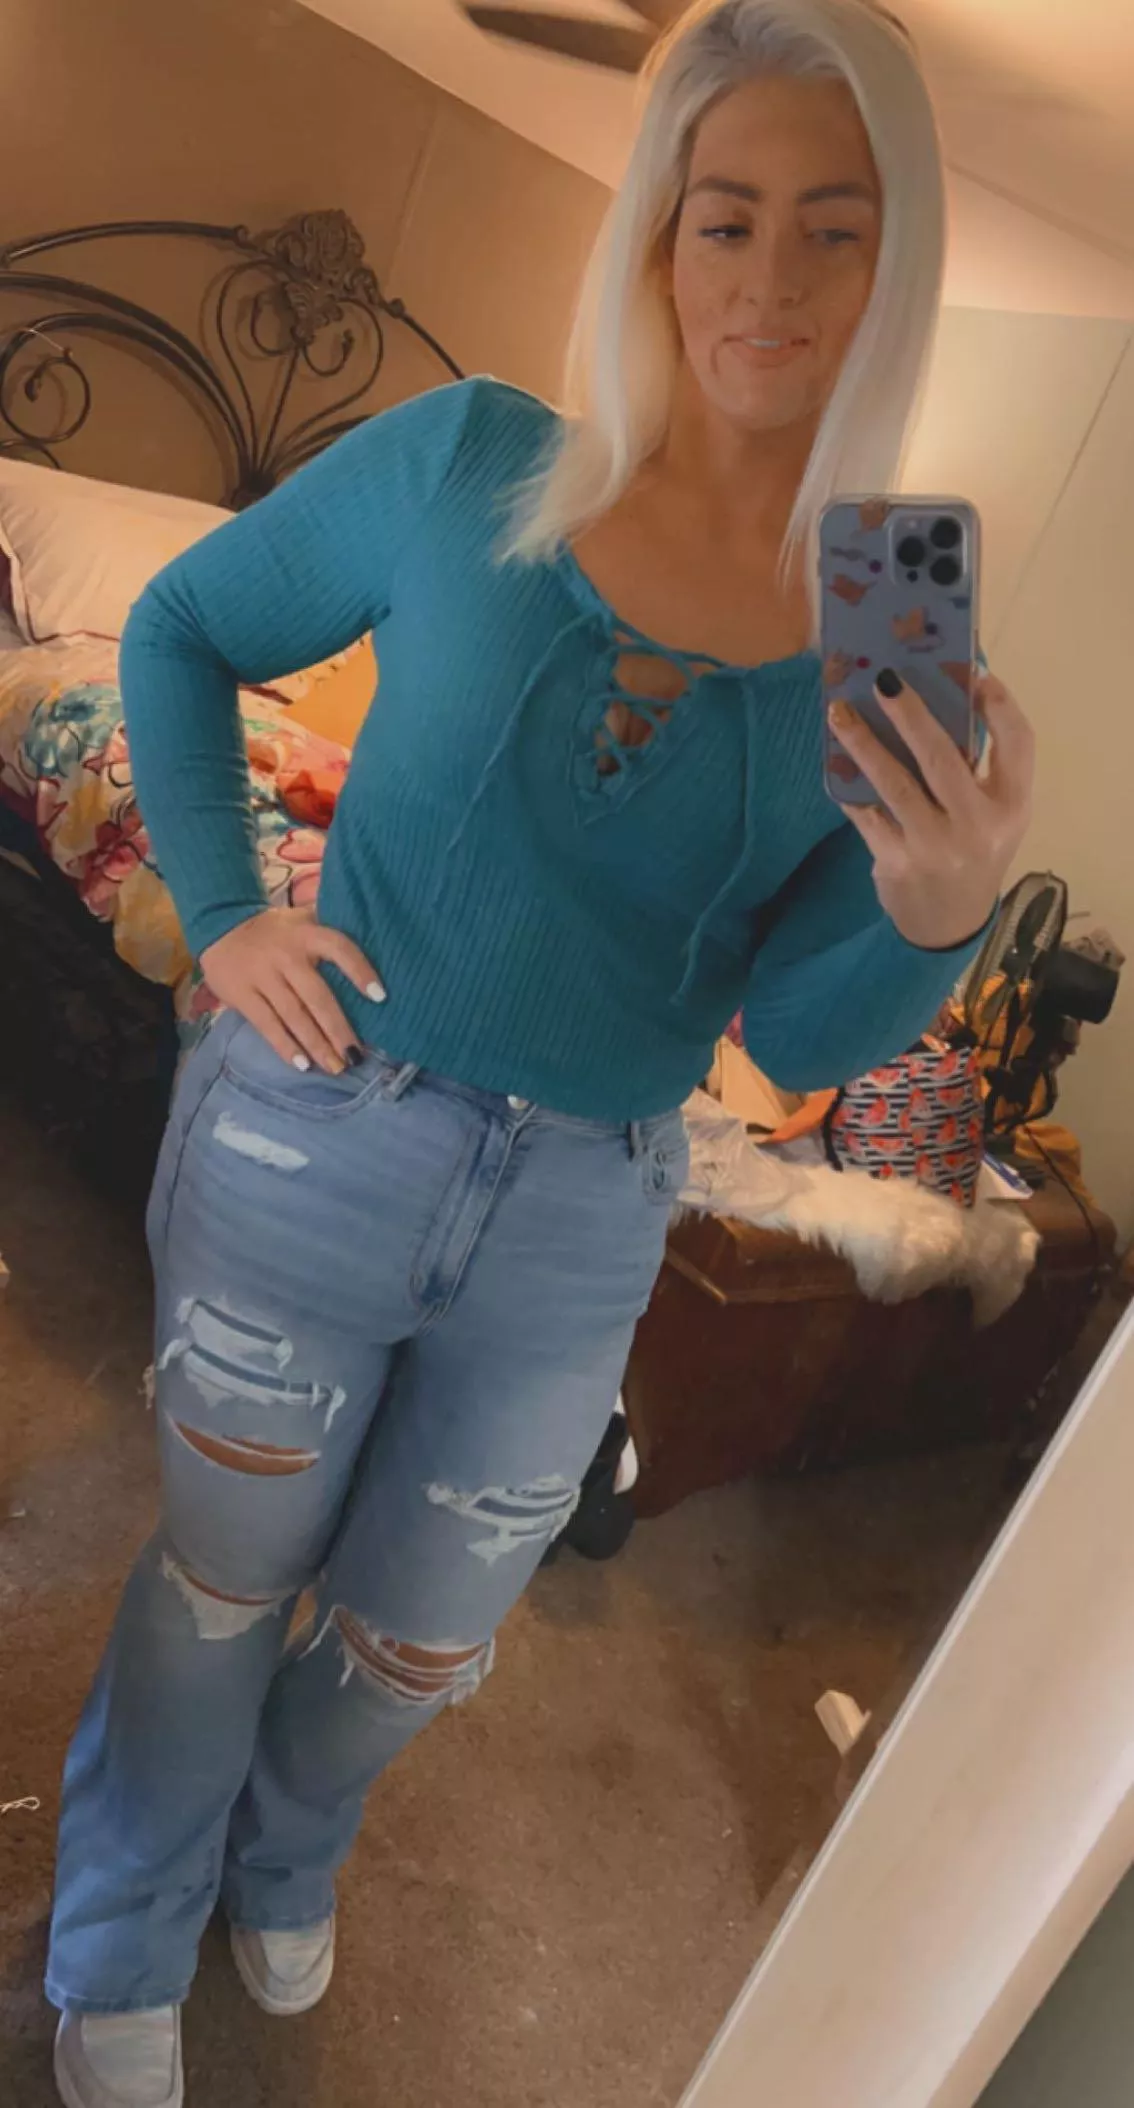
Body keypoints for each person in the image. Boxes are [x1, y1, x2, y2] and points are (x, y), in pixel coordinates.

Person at [48, 2, 1034, 2102]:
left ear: (900, 261)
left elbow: (799, 1029)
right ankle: (119, 1921)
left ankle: (283, 1848)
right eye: (726, 217)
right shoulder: (471, 458)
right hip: (319, 1131)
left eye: (835, 228)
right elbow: (181, 625)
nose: (769, 283)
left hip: (585, 1212)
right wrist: (228, 909)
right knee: (222, 1586)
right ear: (659, 233)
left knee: (418, 1637)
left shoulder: (885, 615)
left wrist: (939, 911)